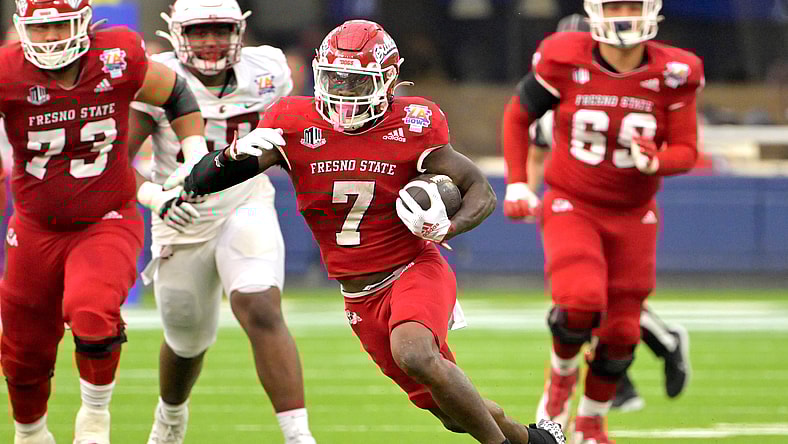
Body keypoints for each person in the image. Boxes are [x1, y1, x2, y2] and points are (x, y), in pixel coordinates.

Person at [174, 19, 566, 444]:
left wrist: (447, 226)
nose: (343, 94)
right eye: (335, 79)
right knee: (453, 412)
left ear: (388, 80)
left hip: (412, 268)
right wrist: (227, 156)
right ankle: (540, 440)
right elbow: (199, 181)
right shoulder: (291, 122)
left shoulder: (414, 122)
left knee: (414, 352)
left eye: (357, 82)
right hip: (359, 294)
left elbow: (480, 191)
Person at [0, 0, 210, 443]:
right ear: (22, 29)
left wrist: (195, 155)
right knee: (23, 352)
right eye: (40, 29)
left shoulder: (117, 55)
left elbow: (176, 94)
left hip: (106, 218)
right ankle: (30, 432)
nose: (51, 38)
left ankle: (94, 418)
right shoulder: (7, 70)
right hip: (35, 226)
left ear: (83, 22)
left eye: (60, 25)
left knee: (92, 312)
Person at [501, 1, 703, 442]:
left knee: (624, 331)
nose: (625, 14)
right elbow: (518, 114)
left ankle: (591, 423)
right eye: (615, 5)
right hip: (573, 202)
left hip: (635, 213)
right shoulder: (563, 55)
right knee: (580, 300)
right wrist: (518, 183)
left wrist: (659, 161)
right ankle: (559, 382)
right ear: (595, 10)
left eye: (633, 4)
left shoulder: (677, 70)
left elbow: (687, 150)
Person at [127, 1, 315, 443]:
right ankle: (170, 417)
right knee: (186, 341)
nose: (210, 40)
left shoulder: (267, 69)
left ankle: (298, 436)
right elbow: (116, 159)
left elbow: (294, 132)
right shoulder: (156, 75)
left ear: (239, 30)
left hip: (244, 201)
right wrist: (155, 196)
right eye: (198, 31)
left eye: (220, 28)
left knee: (261, 306)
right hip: (182, 217)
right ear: (176, 34)